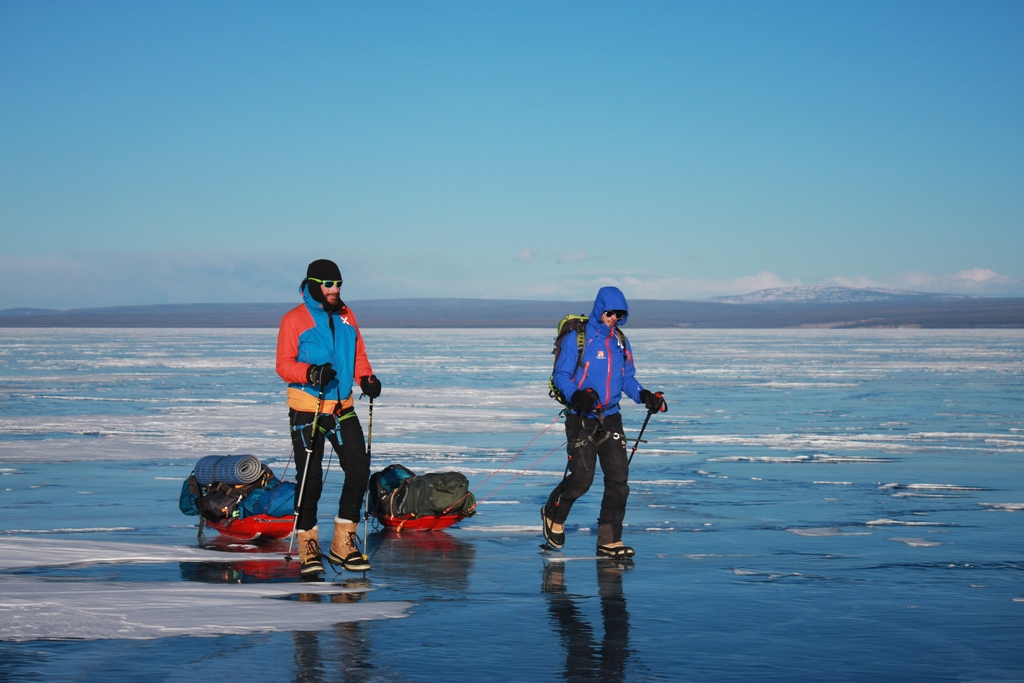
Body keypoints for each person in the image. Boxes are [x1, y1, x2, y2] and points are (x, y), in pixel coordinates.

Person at [541, 286, 665, 559]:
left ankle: (609, 539)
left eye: (620, 314)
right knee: (582, 480)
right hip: (581, 418)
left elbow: (627, 379)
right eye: (610, 313)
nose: (614, 318)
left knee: (619, 480)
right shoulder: (578, 339)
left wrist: (644, 395)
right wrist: (577, 395)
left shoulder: (620, 340)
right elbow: (562, 374)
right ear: (600, 310)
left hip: (611, 417)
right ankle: (553, 513)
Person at [276, 259, 382, 576]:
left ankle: (342, 543)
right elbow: (283, 365)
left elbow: (358, 353)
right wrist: (310, 373)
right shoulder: (294, 319)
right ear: (313, 284)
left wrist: (366, 379)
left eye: (338, 284)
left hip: (342, 406)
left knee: (359, 469)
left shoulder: (347, 316)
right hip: (307, 407)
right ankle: (308, 546)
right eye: (328, 284)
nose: (334, 290)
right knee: (310, 480)